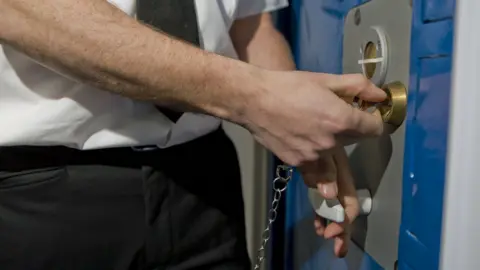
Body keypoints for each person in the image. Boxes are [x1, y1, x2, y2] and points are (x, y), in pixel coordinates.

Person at [0, 0, 386, 269]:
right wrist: (254, 99)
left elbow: (251, 25)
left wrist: (308, 139)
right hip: (42, 193)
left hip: (204, 188)